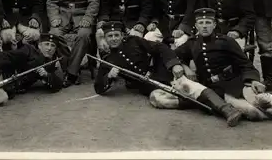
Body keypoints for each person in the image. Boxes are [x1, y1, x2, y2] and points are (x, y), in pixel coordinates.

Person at [152, 8, 272, 123]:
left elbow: (245, 64)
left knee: (261, 101)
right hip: (214, 88)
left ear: (214, 24)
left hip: (234, 83)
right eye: (201, 23)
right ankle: (270, 113)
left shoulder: (226, 41)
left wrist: (253, 80)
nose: (205, 26)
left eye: (208, 23)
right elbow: (173, 55)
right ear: (196, 25)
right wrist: (185, 66)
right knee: (251, 112)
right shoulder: (192, 43)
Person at [93, 21, 244, 127]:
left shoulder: (134, 41)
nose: (114, 39)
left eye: (116, 35)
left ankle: (227, 110)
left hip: (162, 73)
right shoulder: (108, 60)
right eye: (110, 36)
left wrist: (175, 64)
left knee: (187, 86)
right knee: (158, 100)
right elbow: (99, 87)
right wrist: (110, 77)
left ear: (122, 35)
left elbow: (160, 47)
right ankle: (206, 103)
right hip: (149, 87)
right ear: (105, 38)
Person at [46, 0, 99, 87]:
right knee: (54, 34)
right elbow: (51, 1)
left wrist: (88, 18)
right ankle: (71, 71)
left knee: (83, 35)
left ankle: (70, 74)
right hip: (62, 15)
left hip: (81, 15)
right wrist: (54, 17)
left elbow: (94, 0)